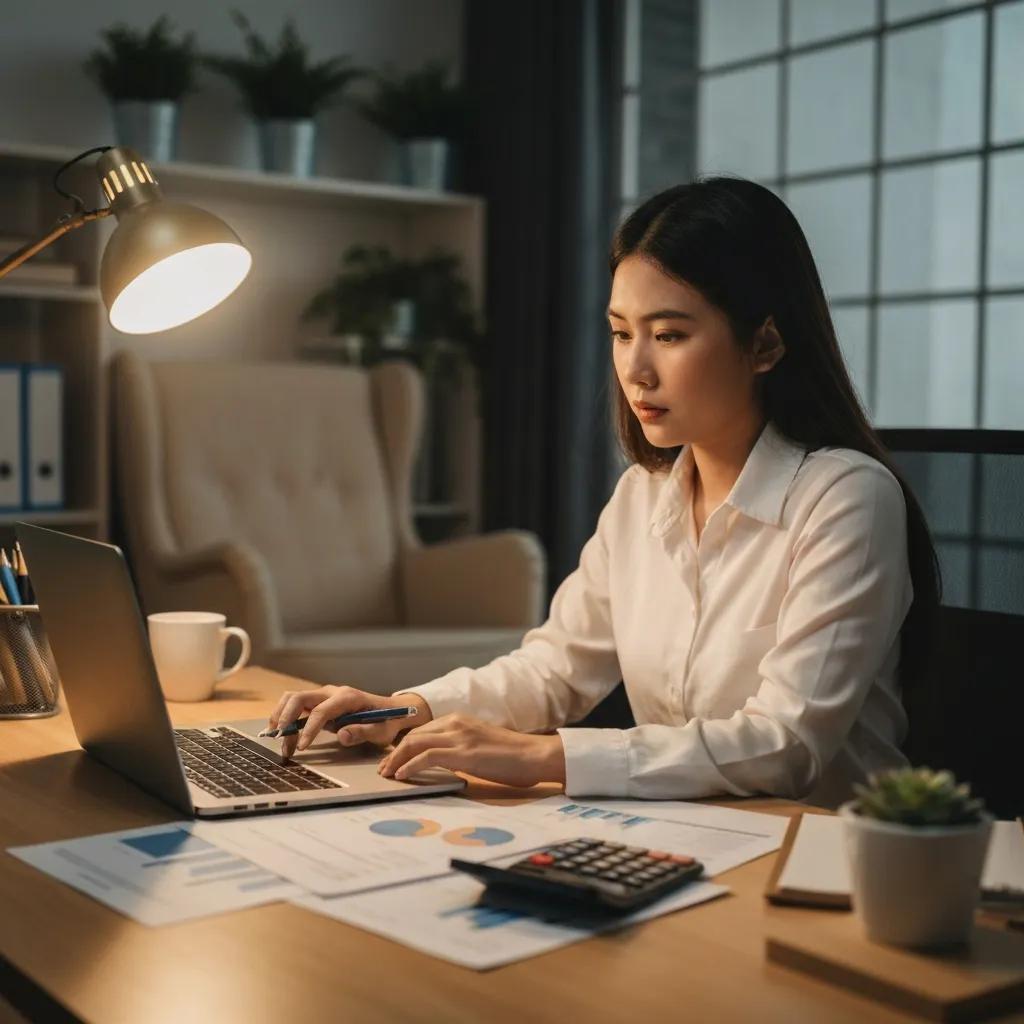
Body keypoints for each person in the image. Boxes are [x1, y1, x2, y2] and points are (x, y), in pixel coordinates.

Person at [267, 176, 942, 809]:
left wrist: (543, 757)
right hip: (688, 835)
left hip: (823, 861)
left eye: (670, 335)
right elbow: (556, 669)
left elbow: (785, 746)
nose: (636, 370)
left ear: (764, 343)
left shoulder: (846, 498)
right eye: (622, 333)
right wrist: (404, 708)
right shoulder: (643, 495)